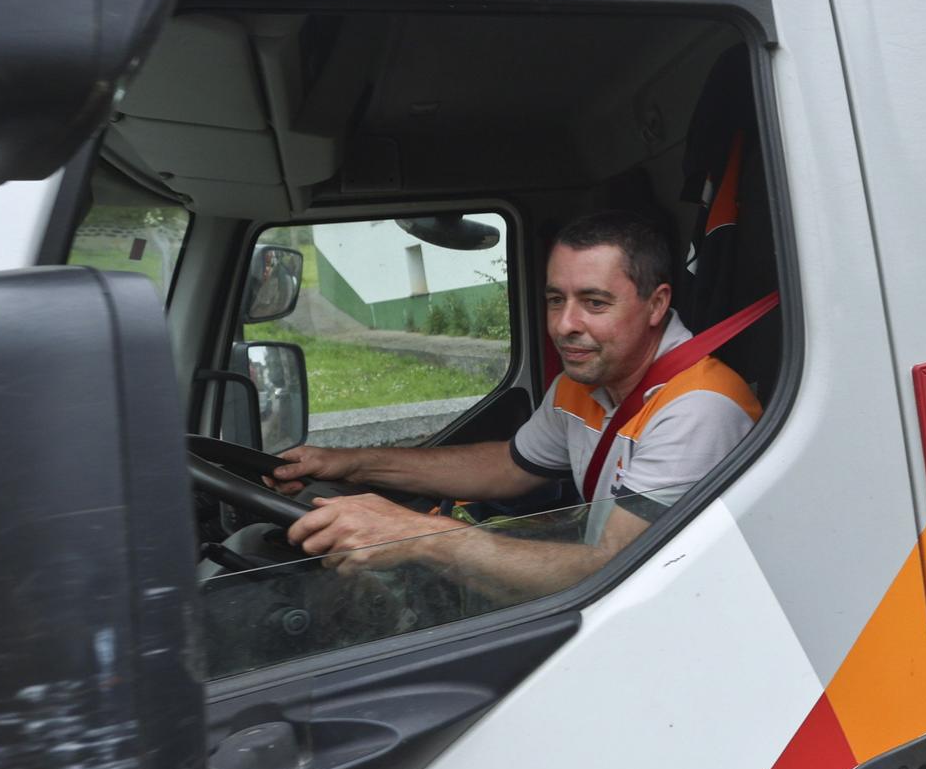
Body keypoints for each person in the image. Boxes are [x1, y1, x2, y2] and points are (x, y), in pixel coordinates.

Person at [270, 211, 762, 597]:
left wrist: (419, 534)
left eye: (594, 303)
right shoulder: (587, 379)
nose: (564, 325)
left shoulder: (699, 408)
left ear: (656, 305)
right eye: (555, 299)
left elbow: (614, 565)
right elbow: (510, 466)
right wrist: (353, 465)